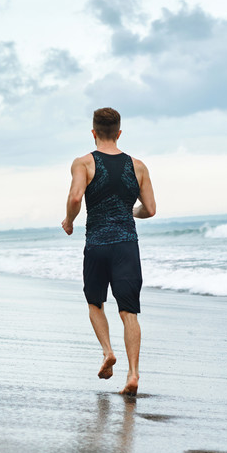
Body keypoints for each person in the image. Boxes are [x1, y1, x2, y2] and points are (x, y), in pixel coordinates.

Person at [61, 107, 156, 396]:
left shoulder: (83, 163)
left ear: (93, 132)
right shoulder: (138, 166)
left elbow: (76, 196)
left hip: (97, 245)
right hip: (127, 245)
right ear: (119, 133)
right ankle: (134, 373)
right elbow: (150, 209)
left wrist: (69, 220)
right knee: (129, 311)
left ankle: (107, 352)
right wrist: (130, 212)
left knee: (95, 303)